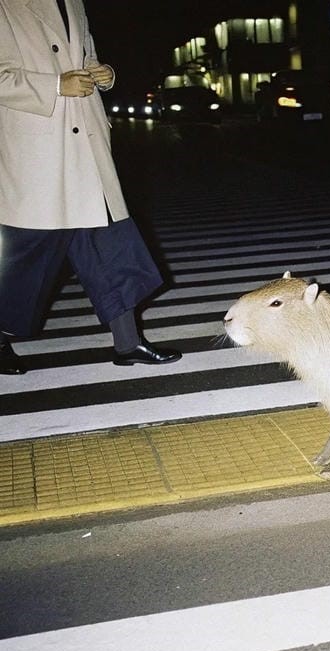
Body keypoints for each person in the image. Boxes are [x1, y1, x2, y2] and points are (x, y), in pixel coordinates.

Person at [0, 0, 181, 375]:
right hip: (38, 150)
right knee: (23, 257)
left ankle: (128, 343)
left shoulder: (73, 3)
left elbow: (87, 57)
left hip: (86, 146)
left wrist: (105, 74)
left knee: (111, 243)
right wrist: (54, 85)